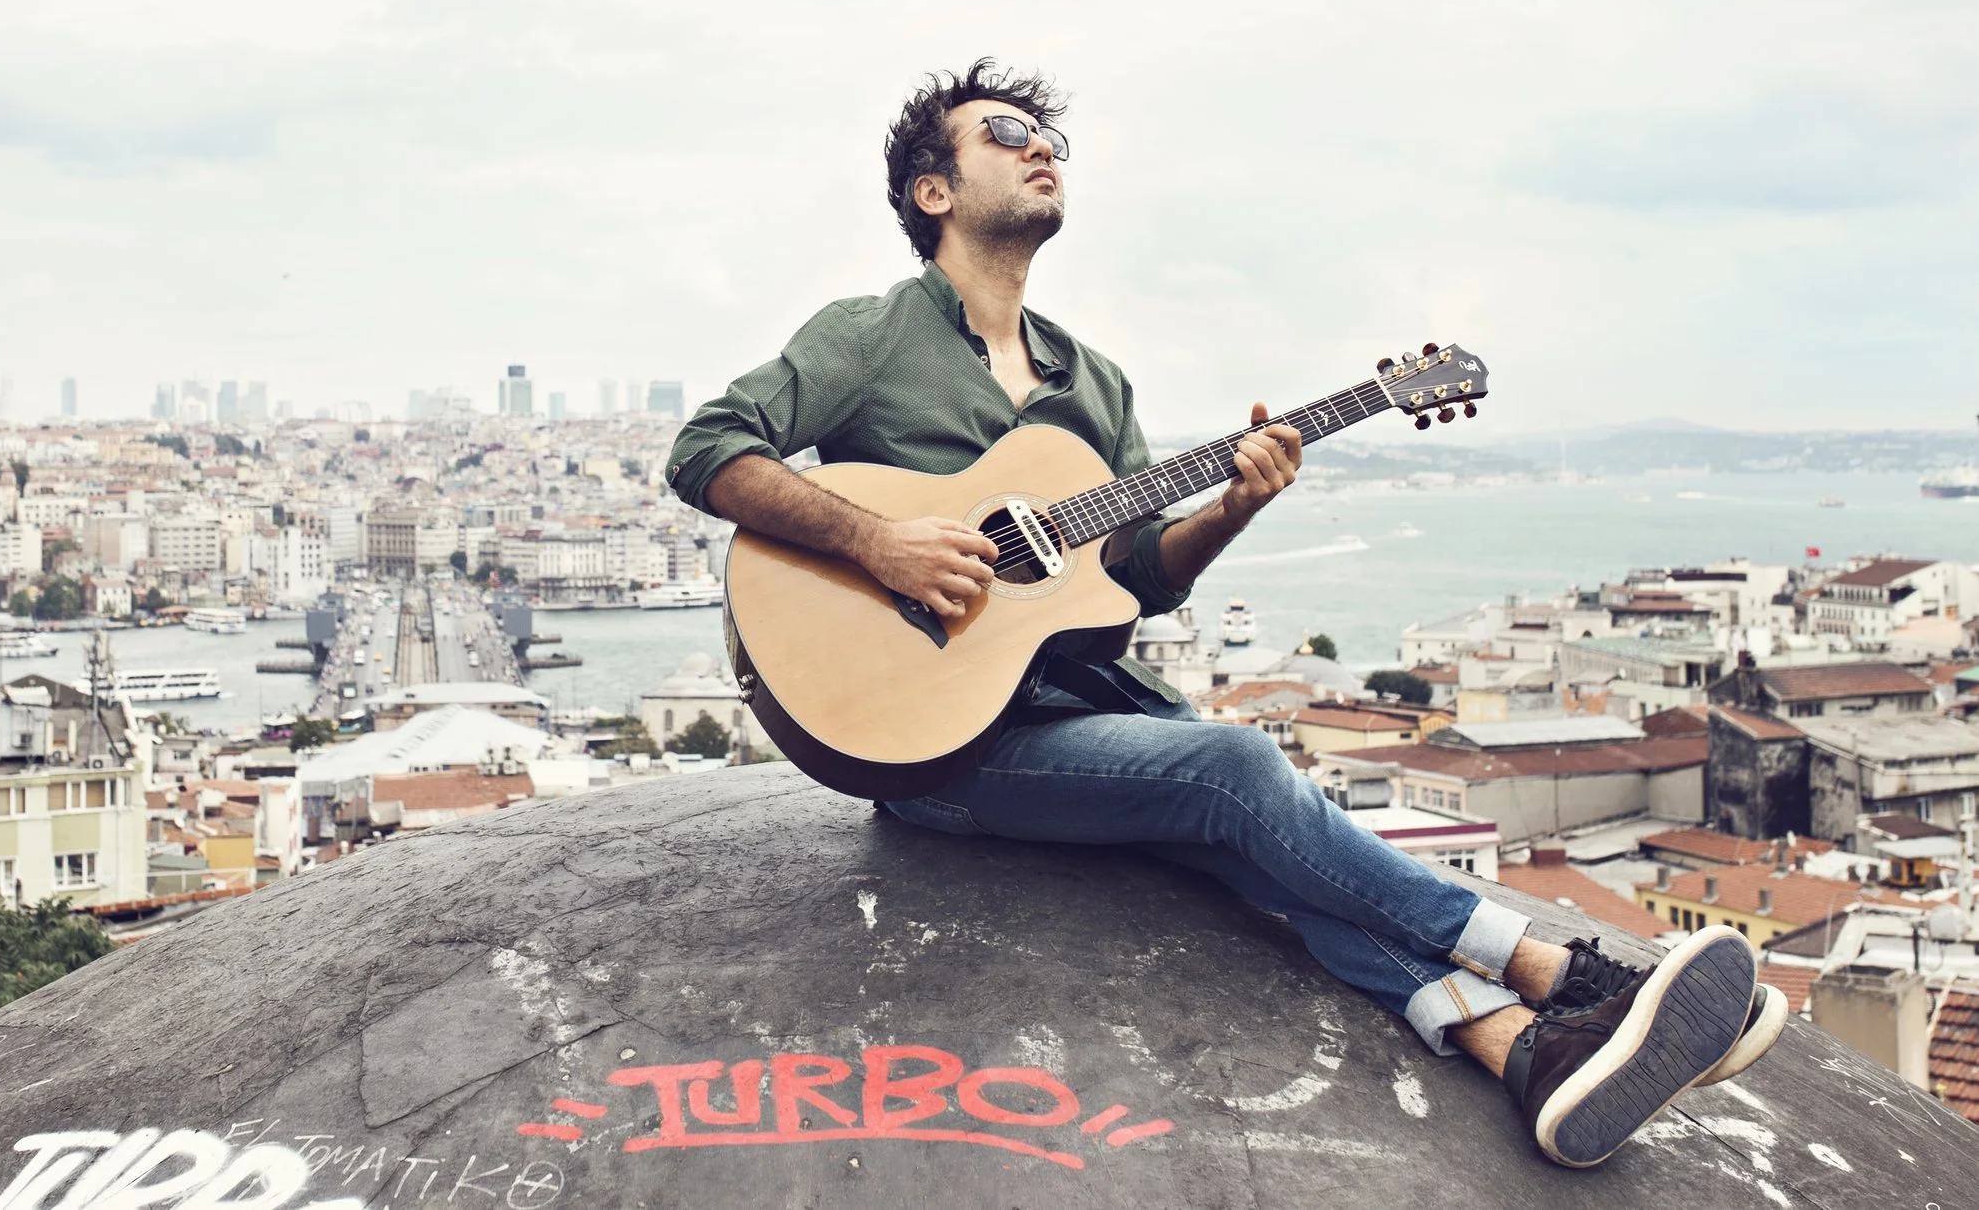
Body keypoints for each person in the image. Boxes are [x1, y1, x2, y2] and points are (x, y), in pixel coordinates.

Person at [663, 61, 1784, 1168]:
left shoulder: (1089, 384)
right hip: (928, 744)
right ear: (933, 192)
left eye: (1048, 136)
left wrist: (1237, 503)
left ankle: (1518, 1051)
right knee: (1238, 775)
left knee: (1251, 859)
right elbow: (706, 448)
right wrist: (878, 538)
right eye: (1004, 132)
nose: (1039, 146)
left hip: (1072, 714)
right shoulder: (871, 334)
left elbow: (1140, 575)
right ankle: (1565, 971)